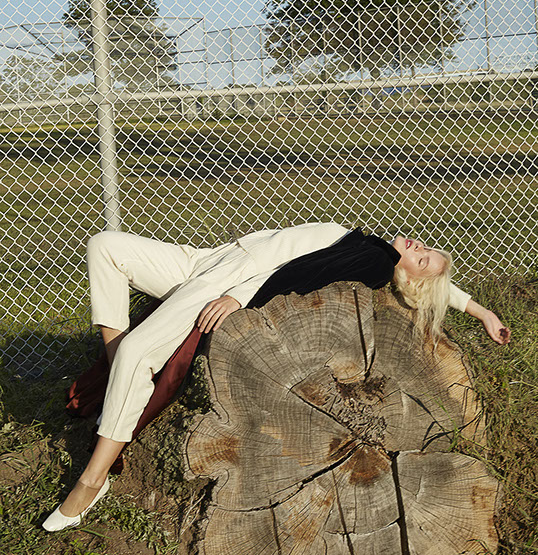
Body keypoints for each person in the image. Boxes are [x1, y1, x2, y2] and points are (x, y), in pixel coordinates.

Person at [42, 222, 510, 531]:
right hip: (208, 260)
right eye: (424, 246)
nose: (418, 248)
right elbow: (433, 280)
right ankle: (117, 372)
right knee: (106, 246)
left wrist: (238, 297)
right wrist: (481, 310)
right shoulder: (364, 242)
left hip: (227, 284)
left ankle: (93, 479)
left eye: (422, 258)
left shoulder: (373, 260)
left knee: (140, 351)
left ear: (407, 277)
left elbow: (289, 272)